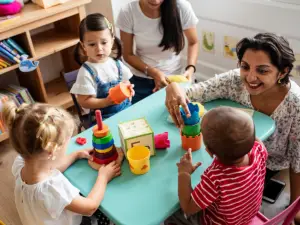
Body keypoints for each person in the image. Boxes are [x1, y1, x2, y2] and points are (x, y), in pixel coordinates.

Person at [165, 32, 300, 223]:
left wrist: (295, 207)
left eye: (262, 70)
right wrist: (173, 88)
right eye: (245, 67)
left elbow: (298, 160)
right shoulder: (259, 146)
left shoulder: (296, 104)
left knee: (176, 208)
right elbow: (192, 94)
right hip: (250, 167)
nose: (251, 77)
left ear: (283, 72)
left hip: (265, 166)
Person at [2, 102, 122, 225]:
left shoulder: (20, 163)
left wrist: (76, 155)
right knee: (106, 216)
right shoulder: (52, 188)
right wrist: (103, 177)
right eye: (66, 143)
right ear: (51, 151)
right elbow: (89, 207)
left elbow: (51, 167)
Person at [165, 106, 268, 225]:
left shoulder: (215, 177)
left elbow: (187, 207)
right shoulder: (259, 150)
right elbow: (255, 141)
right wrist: (243, 134)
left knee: (173, 214)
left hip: (217, 222)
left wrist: (184, 173)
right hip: (246, 216)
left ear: (208, 151)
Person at [116, 0, 199, 103]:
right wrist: (154, 73)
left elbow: (193, 42)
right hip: (142, 78)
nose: (155, 1)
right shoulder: (128, 12)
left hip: (174, 78)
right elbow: (127, 55)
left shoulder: (181, 7)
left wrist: (190, 68)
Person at [71, 13, 134, 119]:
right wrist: (106, 102)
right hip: (104, 118)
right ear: (83, 46)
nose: (99, 48)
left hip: (126, 109)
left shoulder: (116, 64)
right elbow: (84, 102)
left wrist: (128, 88)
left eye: (104, 42)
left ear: (112, 41)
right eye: (92, 44)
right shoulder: (86, 73)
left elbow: (125, 82)